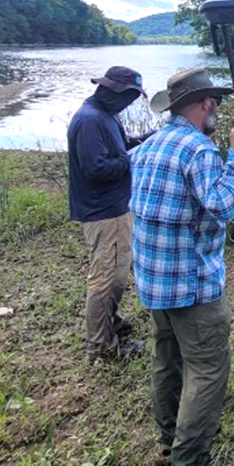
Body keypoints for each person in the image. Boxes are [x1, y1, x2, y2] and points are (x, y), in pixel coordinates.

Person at [130, 67, 234, 466]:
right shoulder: (200, 150)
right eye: (215, 104)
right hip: (192, 287)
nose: (217, 110)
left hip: (154, 282)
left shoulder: (149, 146)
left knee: (167, 359)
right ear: (205, 105)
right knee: (206, 371)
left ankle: (169, 440)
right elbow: (220, 205)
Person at [67, 65, 148, 362]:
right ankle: (100, 347)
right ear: (114, 92)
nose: (131, 104)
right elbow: (96, 169)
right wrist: (131, 160)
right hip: (103, 212)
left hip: (114, 208)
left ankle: (110, 324)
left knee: (117, 274)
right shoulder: (90, 121)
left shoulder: (104, 116)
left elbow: (119, 149)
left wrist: (145, 141)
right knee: (105, 279)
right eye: (130, 97)